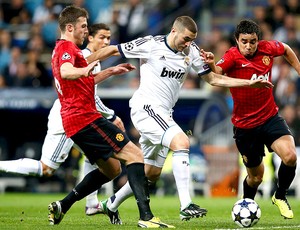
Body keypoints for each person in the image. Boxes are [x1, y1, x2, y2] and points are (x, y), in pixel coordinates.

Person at [87, 16, 273, 223]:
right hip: (145, 107)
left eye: (192, 39)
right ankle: (186, 204)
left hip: (163, 113)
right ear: (174, 31)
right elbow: (113, 50)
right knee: (182, 142)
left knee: (151, 173)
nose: (188, 43)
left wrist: (248, 83)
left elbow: (213, 79)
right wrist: (81, 65)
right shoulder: (150, 44)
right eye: (185, 38)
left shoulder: (191, 51)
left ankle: (109, 204)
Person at [47, 5, 174, 228]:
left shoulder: (68, 50)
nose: (86, 31)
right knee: (135, 156)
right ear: (69, 27)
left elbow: (83, 80)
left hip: (76, 122)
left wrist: (109, 70)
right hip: (85, 119)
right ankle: (146, 217)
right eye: (83, 26)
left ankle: (62, 205)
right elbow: (68, 72)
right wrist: (82, 70)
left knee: (112, 169)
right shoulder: (67, 48)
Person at [0, 23, 124, 216]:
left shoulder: (89, 59)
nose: (106, 41)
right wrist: (111, 115)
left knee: (96, 155)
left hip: (78, 114)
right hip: (67, 117)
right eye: (101, 37)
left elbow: (88, 88)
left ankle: (91, 203)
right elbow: (87, 94)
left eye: (108, 38)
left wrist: (108, 69)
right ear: (89, 37)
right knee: (46, 168)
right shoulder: (80, 56)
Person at [203, 19, 299, 219]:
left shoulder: (268, 49)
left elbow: (287, 49)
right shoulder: (231, 56)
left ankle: (280, 196)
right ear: (237, 40)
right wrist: (211, 62)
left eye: (253, 41)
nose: (248, 46)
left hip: (270, 117)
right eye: (244, 41)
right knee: (256, 178)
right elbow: (215, 77)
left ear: (258, 40)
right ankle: (247, 205)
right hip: (245, 127)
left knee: (290, 156)